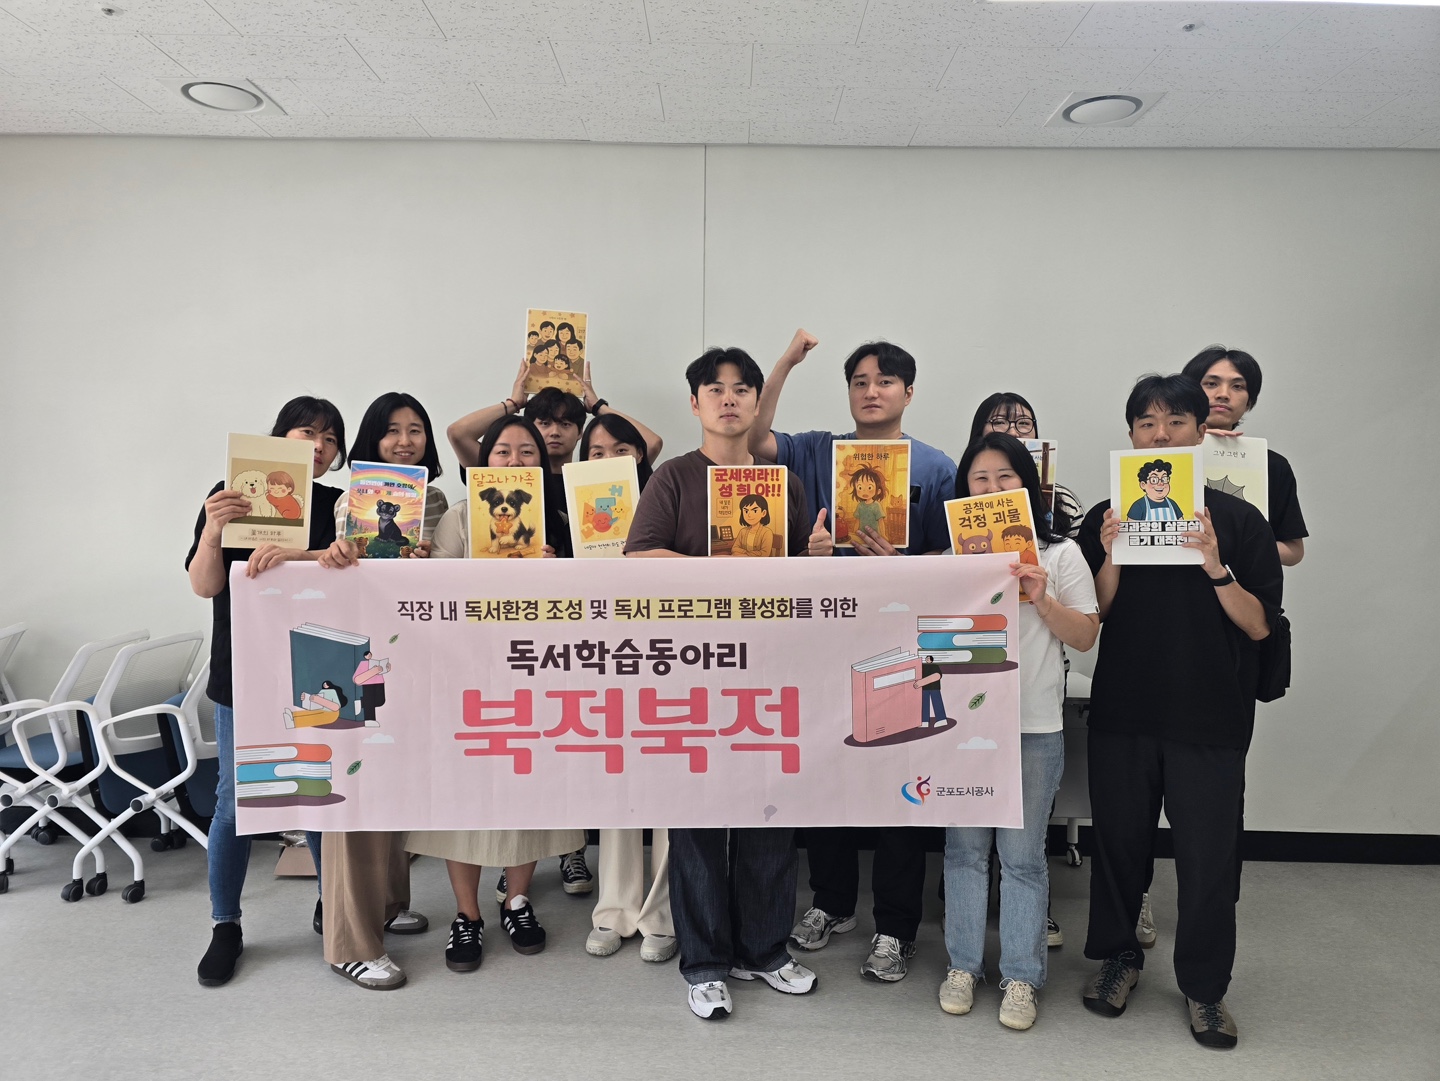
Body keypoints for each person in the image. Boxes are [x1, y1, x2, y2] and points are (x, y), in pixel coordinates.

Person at [626, 346, 832, 1020]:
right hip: (693, 675)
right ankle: (706, 963)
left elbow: (798, 579)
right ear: (695, 404)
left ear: (755, 401)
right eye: (715, 389)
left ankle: (764, 950)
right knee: (697, 825)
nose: (729, 399)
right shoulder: (674, 478)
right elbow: (638, 557)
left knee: (771, 817)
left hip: (770, 675)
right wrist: (715, 568)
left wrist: (815, 556)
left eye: (742, 388)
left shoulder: (783, 483)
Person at [1076, 374, 1281, 1050]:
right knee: (1118, 846)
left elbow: (1260, 624)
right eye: (1146, 423)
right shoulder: (1107, 515)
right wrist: (1109, 554)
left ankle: (1205, 987)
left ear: (1200, 432)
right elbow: (1093, 616)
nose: (1159, 435)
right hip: (1124, 709)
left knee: (1208, 859)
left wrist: (1215, 565)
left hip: (1210, 715)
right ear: (1131, 435)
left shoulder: (1241, 521)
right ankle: (1118, 959)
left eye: (1174, 422)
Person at [751, 329, 953, 984]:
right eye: (860, 381)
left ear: (908, 392)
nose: (871, 391)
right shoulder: (818, 450)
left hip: (903, 644)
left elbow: (956, 561)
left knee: (900, 786)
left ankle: (895, 925)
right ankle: (832, 903)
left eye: (885, 381)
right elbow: (755, 438)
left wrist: (905, 567)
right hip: (824, 643)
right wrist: (786, 362)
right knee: (827, 776)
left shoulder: (935, 467)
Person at [403, 415, 584, 970]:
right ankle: (467, 914)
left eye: (526, 452)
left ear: (542, 463)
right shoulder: (458, 518)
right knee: (463, 798)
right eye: (502, 451)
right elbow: (430, 599)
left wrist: (555, 575)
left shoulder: (559, 520)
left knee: (526, 793)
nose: (514, 461)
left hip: (532, 675)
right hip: (467, 677)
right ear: (483, 461)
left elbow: (583, 604)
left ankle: (518, 900)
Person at [938, 433, 1098, 1032]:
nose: (992, 488)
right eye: (980, 478)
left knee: (1025, 858)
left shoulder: (1061, 555)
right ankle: (962, 966)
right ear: (965, 489)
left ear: (1027, 487)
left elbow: (1086, 636)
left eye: (1006, 477)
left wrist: (1042, 598)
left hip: (1033, 727)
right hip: (963, 728)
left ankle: (1022, 976)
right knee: (963, 852)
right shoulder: (950, 558)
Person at [188, 396, 347, 988]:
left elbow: (358, 576)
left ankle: (334, 907)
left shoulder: (338, 506)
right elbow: (204, 585)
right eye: (307, 432)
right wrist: (213, 530)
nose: (319, 446)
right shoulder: (231, 496)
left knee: (319, 794)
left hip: (315, 672)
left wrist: (308, 554)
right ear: (279, 439)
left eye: (330, 439)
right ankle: (225, 924)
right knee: (233, 802)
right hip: (242, 671)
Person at [309, 391, 447, 990]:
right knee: (352, 792)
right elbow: (318, 575)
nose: (404, 441)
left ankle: (387, 906)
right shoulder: (345, 502)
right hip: (352, 655)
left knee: (390, 787)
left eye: (415, 430)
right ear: (371, 440)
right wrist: (338, 554)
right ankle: (350, 943)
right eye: (391, 430)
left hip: (404, 659)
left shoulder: (436, 501)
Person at [579, 434, 675, 963]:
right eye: (595, 452)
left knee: (668, 785)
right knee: (617, 784)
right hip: (603, 659)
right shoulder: (570, 508)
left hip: (667, 658)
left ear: (641, 455)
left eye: (621, 448)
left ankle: (662, 913)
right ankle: (613, 909)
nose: (608, 459)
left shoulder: (667, 493)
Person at [1181, 346, 1307, 567]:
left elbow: (1294, 552)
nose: (1223, 394)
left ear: (1249, 401)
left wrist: (1233, 543)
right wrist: (1196, 440)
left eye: (1238, 386)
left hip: (1241, 586)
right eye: (1211, 384)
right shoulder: (1159, 455)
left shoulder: (1272, 465)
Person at [967, 392, 1084, 538]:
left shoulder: (1064, 503)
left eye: (1023, 423)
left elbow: (1075, 552)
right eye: (999, 422)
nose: (1013, 432)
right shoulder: (957, 494)